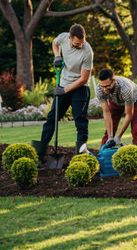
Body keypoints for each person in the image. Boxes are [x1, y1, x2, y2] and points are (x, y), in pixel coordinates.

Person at [33, 24, 93, 164]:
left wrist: (64, 90)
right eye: (77, 44)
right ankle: (40, 155)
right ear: (70, 38)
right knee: (52, 118)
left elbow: (84, 78)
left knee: (80, 121)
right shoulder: (63, 37)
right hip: (64, 83)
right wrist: (57, 56)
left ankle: (80, 157)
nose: (80, 46)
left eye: (82, 43)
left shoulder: (87, 51)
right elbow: (54, 42)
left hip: (80, 88)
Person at [96, 68, 137, 148]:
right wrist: (110, 137)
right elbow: (106, 113)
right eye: (102, 86)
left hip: (135, 100)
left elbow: (129, 114)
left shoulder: (126, 89)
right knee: (108, 133)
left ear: (113, 81)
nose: (105, 89)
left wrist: (118, 136)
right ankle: (103, 154)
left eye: (107, 86)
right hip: (115, 101)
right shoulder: (100, 89)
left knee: (135, 129)